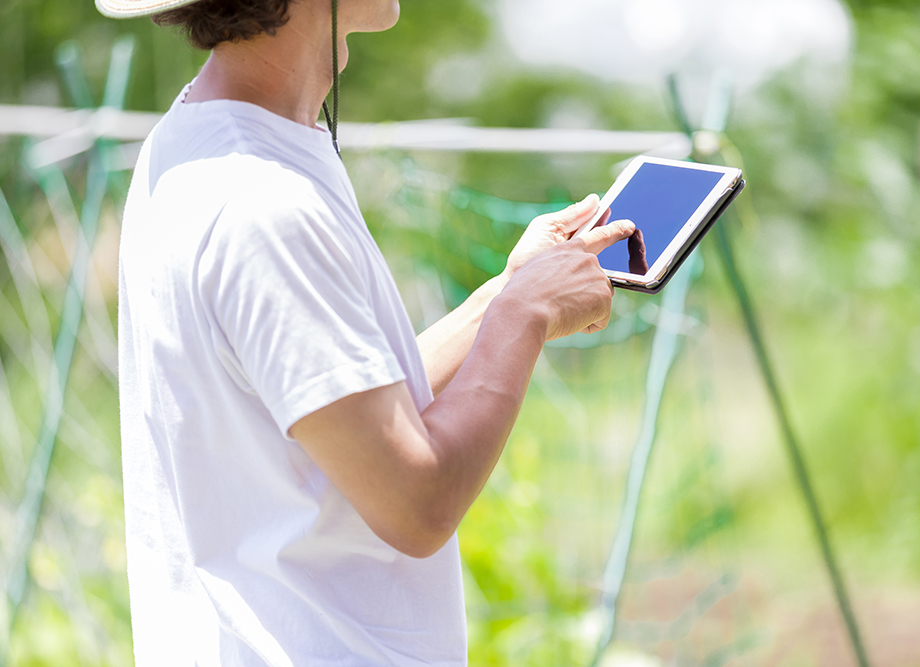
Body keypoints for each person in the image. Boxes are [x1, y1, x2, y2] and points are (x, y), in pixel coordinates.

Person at [99, 0, 635, 663]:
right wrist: (525, 316)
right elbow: (417, 501)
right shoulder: (260, 206)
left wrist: (507, 290)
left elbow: (352, 404)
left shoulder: (205, 143)